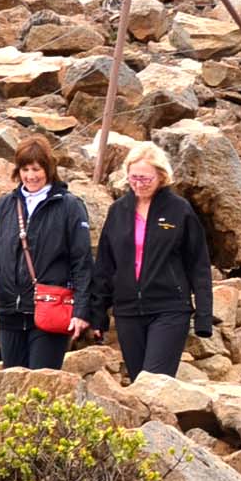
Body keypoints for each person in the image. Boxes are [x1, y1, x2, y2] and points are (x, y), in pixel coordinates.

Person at [91, 142, 213, 379]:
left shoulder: (180, 210)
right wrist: (98, 315)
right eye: (134, 178)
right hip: (127, 311)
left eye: (145, 179)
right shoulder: (118, 210)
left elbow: (198, 265)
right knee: (138, 381)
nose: (139, 184)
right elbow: (105, 266)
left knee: (155, 380)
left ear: (161, 176)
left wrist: (204, 316)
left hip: (169, 308)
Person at [0, 136, 94, 369]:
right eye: (25, 169)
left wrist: (81, 310)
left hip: (50, 308)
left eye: (36, 169)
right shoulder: (6, 205)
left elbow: (83, 262)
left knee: (42, 385)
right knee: (13, 385)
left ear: (48, 169)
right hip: (10, 310)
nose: (31, 176)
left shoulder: (69, 206)